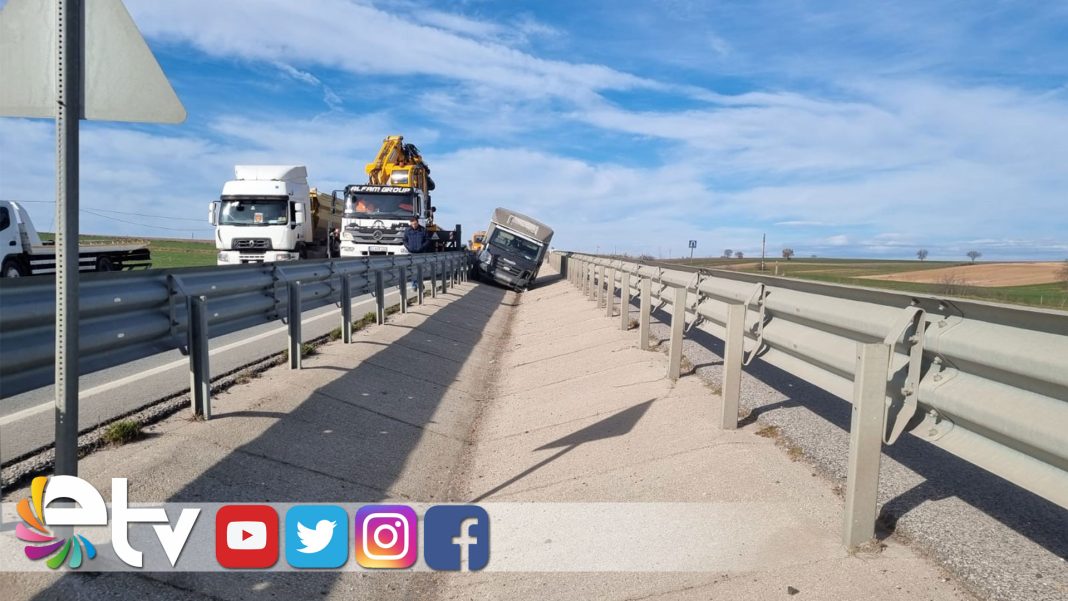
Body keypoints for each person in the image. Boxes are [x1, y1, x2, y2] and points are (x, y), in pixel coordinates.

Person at [404, 216, 432, 292]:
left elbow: (428, 240)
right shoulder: (407, 230)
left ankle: (420, 283)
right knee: (413, 270)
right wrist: (408, 247)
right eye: (412, 224)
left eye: (415, 224)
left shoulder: (423, 230)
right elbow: (404, 240)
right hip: (412, 253)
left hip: (421, 253)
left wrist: (422, 247)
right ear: (410, 223)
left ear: (417, 222)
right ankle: (414, 285)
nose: (414, 225)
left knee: (420, 269)